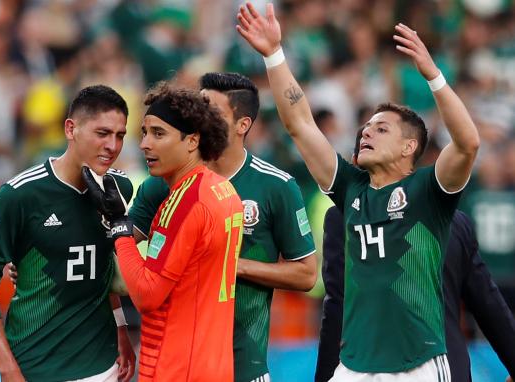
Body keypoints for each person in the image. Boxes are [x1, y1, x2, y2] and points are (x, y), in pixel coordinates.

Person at [237, 2, 480, 380]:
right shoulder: (351, 189)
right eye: (366, 126)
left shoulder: (429, 191)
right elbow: (301, 124)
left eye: (381, 129)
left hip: (418, 365)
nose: (366, 131)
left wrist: (434, 77)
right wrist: (274, 54)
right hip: (353, 367)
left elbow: (467, 144)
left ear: (408, 147)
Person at [128, 72, 317, 382]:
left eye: (211, 111)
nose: (200, 118)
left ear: (243, 125)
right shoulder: (163, 183)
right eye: (198, 107)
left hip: (245, 364)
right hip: (176, 364)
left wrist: (231, 265)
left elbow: (307, 273)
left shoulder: (276, 186)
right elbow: (120, 251)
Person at [315, 130, 515, 382]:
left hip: (372, 365)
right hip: (445, 366)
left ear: (354, 165)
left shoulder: (341, 217)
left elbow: (338, 306)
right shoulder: (454, 220)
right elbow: (487, 301)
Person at [0, 85, 136, 382]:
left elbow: (103, 266)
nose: (113, 145)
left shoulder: (118, 189)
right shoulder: (20, 195)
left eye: (120, 135)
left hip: (103, 363)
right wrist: (7, 369)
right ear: (71, 129)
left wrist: (121, 327)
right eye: (102, 133)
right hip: (37, 366)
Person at [83, 82, 244, 381]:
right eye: (144, 133)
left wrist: (119, 225)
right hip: (214, 365)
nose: (145, 144)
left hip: (176, 367)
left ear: (192, 141)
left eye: (159, 133)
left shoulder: (186, 202)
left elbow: (146, 295)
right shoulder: (223, 189)